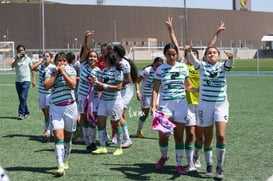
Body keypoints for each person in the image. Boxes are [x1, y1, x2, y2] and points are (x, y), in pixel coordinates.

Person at [165, 17, 226, 172]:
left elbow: (210, 47)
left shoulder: (203, 67)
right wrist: (171, 30)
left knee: (201, 137)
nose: (190, 57)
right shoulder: (183, 67)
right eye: (187, 55)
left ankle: (197, 158)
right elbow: (177, 47)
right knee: (191, 134)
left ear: (199, 57)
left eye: (194, 55)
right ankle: (190, 162)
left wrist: (217, 33)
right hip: (188, 105)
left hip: (203, 104)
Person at [184, 45, 234, 179]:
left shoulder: (222, 67)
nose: (212, 54)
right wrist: (188, 52)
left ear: (218, 56)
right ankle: (209, 165)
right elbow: (193, 60)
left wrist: (231, 58)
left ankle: (220, 167)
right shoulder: (201, 67)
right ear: (205, 56)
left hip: (220, 105)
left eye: (214, 53)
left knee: (221, 136)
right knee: (208, 138)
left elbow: (229, 64)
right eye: (209, 53)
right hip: (205, 106)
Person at [151, 43, 198, 174]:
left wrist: (198, 89)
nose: (172, 57)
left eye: (174, 54)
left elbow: (188, 86)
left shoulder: (183, 67)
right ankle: (164, 156)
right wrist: (153, 106)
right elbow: (155, 89)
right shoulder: (160, 69)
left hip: (181, 105)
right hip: (165, 106)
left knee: (178, 136)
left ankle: (179, 164)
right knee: (163, 134)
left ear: (177, 54)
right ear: (165, 55)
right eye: (169, 54)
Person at [44, 52, 77, 177]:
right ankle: (60, 166)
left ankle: (66, 160)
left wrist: (63, 72)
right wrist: (56, 73)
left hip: (70, 108)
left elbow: (73, 85)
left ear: (67, 62)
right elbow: (46, 86)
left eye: (63, 61)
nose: (61, 63)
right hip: (56, 108)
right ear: (55, 61)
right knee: (58, 136)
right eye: (59, 60)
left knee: (68, 138)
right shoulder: (50, 70)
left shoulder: (71, 69)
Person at [92, 52, 124, 156]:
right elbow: (99, 86)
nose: (102, 62)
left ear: (109, 60)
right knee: (100, 123)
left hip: (114, 102)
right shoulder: (103, 71)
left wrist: (103, 85)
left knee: (116, 124)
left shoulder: (118, 71)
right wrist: (95, 84)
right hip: (104, 101)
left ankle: (119, 147)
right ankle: (102, 146)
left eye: (104, 60)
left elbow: (119, 87)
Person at [77, 30, 101, 153]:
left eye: (94, 56)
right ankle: (88, 143)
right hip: (82, 97)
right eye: (90, 56)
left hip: (95, 98)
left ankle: (93, 141)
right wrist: (85, 38)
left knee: (93, 119)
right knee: (84, 119)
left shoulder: (99, 71)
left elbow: (101, 87)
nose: (92, 58)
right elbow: (85, 51)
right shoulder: (83, 65)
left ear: (97, 59)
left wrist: (97, 84)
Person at [135, 57, 163, 138]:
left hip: (156, 95)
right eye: (156, 65)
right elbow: (137, 81)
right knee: (145, 114)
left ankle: (162, 133)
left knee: (157, 113)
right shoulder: (147, 70)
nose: (158, 67)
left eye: (159, 66)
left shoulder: (161, 72)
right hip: (146, 96)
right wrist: (138, 92)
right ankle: (139, 131)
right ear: (154, 64)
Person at [31, 51, 55, 142]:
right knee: (44, 112)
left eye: (47, 56)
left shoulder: (53, 67)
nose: (46, 58)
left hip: (49, 92)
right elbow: (32, 68)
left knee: (48, 111)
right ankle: (48, 128)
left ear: (51, 58)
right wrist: (40, 62)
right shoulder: (41, 66)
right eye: (44, 56)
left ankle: (48, 130)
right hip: (41, 92)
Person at [11, 44, 36, 120]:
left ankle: (21, 113)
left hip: (26, 81)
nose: (21, 52)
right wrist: (16, 59)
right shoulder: (16, 59)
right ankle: (27, 113)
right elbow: (12, 66)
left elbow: (32, 69)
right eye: (19, 51)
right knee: (22, 98)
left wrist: (34, 79)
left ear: (25, 51)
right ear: (17, 52)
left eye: (22, 50)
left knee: (23, 97)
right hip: (18, 81)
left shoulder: (28, 59)